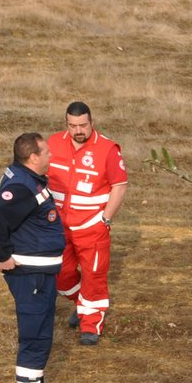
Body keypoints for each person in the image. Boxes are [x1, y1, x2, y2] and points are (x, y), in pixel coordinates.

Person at [0, 132, 67, 383]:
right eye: (46, 153)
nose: (50, 156)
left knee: (42, 334)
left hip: (40, 273)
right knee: (35, 336)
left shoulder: (22, 178)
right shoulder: (20, 186)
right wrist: (3, 255)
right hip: (31, 274)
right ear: (33, 157)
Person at [47, 101, 127, 345]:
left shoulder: (107, 149)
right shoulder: (52, 144)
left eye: (82, 125)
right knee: (62, 274)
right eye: (73, 126)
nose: (78, 130)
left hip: (92, 226)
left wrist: (106, 219)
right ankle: (82, 303)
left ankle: (90, 325)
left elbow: (119, 185)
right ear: (66, 124)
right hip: (58, 226)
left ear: (92, 123)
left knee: (93, 275)